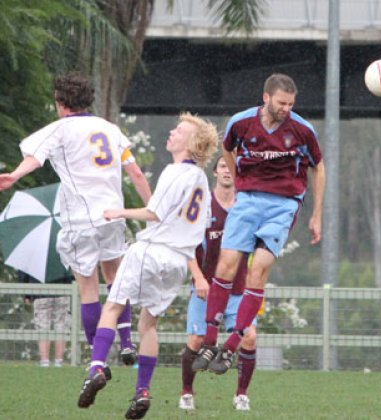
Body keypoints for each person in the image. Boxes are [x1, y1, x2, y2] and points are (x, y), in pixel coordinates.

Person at [0, 72, 152, 368]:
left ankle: (98, 360)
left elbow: (35, 158)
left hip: (81, 221)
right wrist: (152, 211)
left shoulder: (59, 129)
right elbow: (134, 173)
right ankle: (126, 342)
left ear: (60, 102)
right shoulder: (109, 129)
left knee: (88, 291)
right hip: (113, 216)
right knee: (116, 281)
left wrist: (15, 175)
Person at [77, 112, 218, 419]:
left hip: (151, 251)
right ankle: (142, 391)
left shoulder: (175, 171)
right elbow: (195, 230)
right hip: (176, 263)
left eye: (179, 130)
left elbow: (154, 213)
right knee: (148, 325)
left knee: (113, 306)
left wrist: (119, 212)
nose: (172, 132)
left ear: (192, 143)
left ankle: (96, 368)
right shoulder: (202, 182)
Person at [192, 73, 325, 375]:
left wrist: (316, 214)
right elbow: (228, 148)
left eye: (291, 104)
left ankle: (231, 346)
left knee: (257, 270)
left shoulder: (303, 130)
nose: (286, 109)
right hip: (248, 200)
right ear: (266, 98)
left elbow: (319, 167)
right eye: (281, 103)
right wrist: (240, 178)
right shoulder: (241, 123)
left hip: (283, 206)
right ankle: (210, 340)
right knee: (225, 266)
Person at [179, 156, 257, 412]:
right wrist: (198, 278)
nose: (227, 171)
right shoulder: (203, 205)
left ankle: (241, 395)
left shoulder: (247, 206)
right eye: (222, 166)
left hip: (239, 289)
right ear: (214, 172)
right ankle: (187, 392)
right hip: (207, 289)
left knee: (250, 339)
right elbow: (185, 244)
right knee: (197, 340)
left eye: (231, 167)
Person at [19, 270, 73, 367]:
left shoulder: (34, 256)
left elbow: (24, 274)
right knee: (61, 327)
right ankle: (58, 362)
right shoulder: (61, 254)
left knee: (42, 328)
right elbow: (70, 274)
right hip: (62, 292)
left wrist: (27, 295)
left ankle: (44, 362)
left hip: (40, 294)